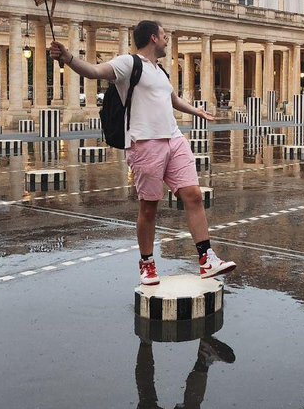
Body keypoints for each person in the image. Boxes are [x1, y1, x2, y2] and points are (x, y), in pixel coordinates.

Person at [50, 20, 236, 285]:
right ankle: (147, 263)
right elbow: (93, 71)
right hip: (145, 143)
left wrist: (196, 111)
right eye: (164, 36)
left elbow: (171, 99)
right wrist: (68, 57)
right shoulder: (128, 64)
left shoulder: (160, 71)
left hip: (174, 138)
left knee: (193, 195)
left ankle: (206, 259)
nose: (167, 40)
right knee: (149, 207)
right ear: (152, 38)